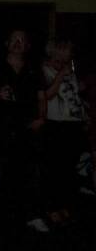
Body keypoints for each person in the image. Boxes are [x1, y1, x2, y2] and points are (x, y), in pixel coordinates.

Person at [0, 29, 46, 230]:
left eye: (22, 40)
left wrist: (41, 117)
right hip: (1, 124)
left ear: (28, 46)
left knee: (33, 169)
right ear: (7, 43)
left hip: (29, 125)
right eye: (14, 39)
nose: (18, 43)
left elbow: (42, 97)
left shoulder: (33, 68)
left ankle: (33, 215)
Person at [40, 39, 91, 225]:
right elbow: (47, 95)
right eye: (65, 53)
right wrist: (61, 74)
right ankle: (51, 207)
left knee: (69, 169)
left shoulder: (70, 71)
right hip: (56, 125)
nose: (68, 57)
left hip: (73, 125)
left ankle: (64, 205)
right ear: (57, 52)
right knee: (55, 168)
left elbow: (75, 97)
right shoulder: (46, 69)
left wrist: (84, 116)